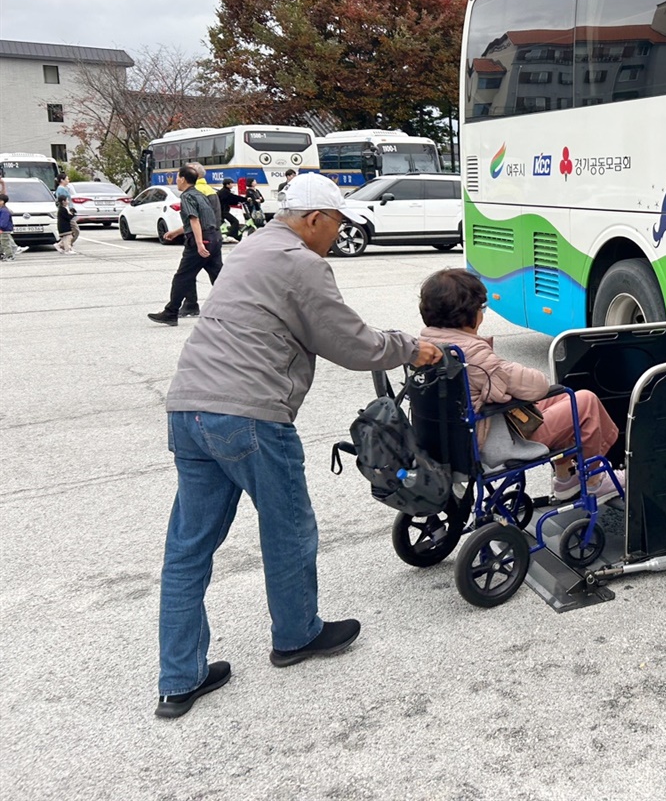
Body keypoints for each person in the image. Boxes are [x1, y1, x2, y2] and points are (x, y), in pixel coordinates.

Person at [155, 172, 442, 719]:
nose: (337, 236)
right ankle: (295, 636)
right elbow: (350, 343)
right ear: (314, 219)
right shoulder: (301, 262)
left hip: (188, 408)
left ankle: (178, 680)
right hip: (250, 415)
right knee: (288, 528)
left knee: (188, 548)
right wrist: (413, 348)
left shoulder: (248, 250)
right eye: (337, 224)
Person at [418, 268, 624, 502]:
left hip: (460, 437)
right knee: (583, 402)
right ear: (468, 316)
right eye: (480, 308)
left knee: (560, 400)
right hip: (492, 445)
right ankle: (593, 480)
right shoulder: (472, 355)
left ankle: (566, 477)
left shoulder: (427, 346)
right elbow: (536, 385)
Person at [148, 166, 221, 326]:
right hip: (214, 237)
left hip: (201, 241)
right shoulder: (201, 194)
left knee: (182, 277)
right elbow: (198, 221)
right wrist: (176, 232)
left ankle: (171, 312)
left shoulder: (187, 196)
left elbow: (194, 220)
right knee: (220, 277)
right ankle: (237, 311)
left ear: (182, 179)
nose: (176, 181)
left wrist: (200, 244)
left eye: (177, 178)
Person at [54, 174, 80, 248]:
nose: (68, 180)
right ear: (62, 180)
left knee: (72, 231)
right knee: (75, 230)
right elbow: (63, 202)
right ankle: (64, 245)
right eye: (67, 179)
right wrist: (69, 211)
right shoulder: (61, 189)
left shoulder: (64, 188)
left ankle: (65, 245)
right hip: (67, 211)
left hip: (69, 210)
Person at [0, 194, 17, 262]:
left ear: (2, 201)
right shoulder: (2, 210)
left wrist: (1, 227)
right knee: (2, 242)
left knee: (5, 243)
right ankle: (3, 254)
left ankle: (9, 255)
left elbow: (4, 221)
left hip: (4, 230)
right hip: (2, 229)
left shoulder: (4, 211)